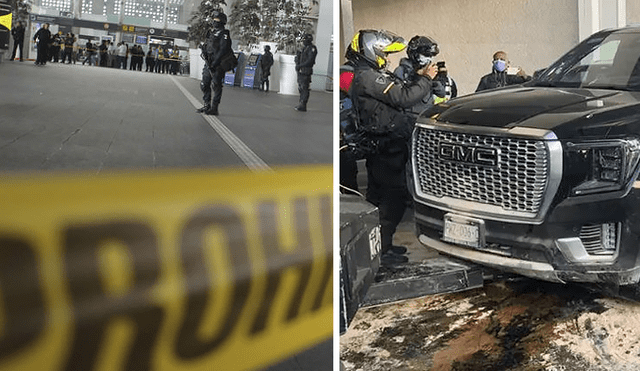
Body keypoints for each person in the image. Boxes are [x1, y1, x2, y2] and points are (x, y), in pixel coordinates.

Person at [343, 29, 436, 265]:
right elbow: (403, 98)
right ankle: (380, 253)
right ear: (371, 51)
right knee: (392, 200)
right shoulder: (368, 77)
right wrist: (426, 79)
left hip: (384, 145)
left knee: (377, 200)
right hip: (387, 148)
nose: (388, 58)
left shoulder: (367, 75)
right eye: (384, 53)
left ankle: (381, 247)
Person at [393, 35, 441, 117]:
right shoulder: (401, 70)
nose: (429, 59)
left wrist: (433, 79)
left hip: (426, 114)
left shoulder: (428, 71)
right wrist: (417, 76)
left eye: (431, 56)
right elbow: (399, 97)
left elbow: (441, 93)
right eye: (426, 55)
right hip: (408, 116)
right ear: (414, 54)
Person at [197, 10, 233, 116]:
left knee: (216, 85)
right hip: (209, 62)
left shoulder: (224, 34)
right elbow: (208, 45)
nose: (214, 22)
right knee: (204, 84)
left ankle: (214, 107)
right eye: (214, 20)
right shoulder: (211, 33)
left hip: (218, 64)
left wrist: (215, 63)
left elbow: (223, 49)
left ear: (222, 22)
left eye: (216, 20)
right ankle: (206, 104)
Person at [294, 33, 317, 112]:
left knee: (304, 88)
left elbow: (310, 61)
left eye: (304, 40)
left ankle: (303, 104)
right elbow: (300, 58)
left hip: (306, 71)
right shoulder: (304, 48)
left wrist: (301, 65)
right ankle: (300, 102)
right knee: (300, 87)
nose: (303, 42)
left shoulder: (312, 48)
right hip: (301, 71)